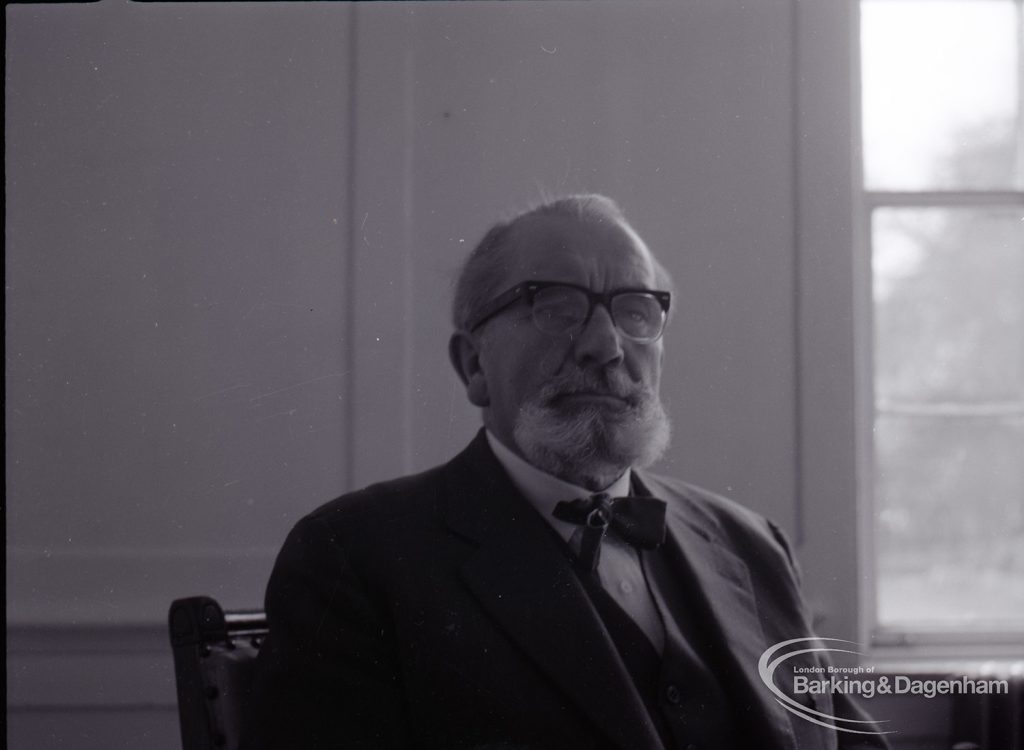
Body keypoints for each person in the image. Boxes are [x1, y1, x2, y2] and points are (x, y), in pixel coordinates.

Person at [242, 194, 886, 749]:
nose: (606, 347)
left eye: (635, 311)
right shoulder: (356, 555)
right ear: (473, 366)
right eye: (555, 305)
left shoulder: (751, 543)